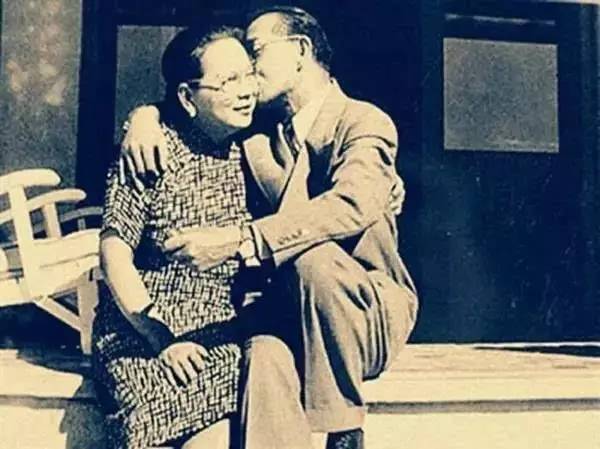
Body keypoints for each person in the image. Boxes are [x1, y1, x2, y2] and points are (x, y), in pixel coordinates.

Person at [122, 7, 418, 449]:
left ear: (300, 51)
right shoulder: (257, 134)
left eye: (255, 50)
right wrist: (143, 117)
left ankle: (344, 431)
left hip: (360, 315)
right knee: (262, 353)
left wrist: (243, 240)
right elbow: (195, 100)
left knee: (313, 260)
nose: (247, 65)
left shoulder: (362, 121)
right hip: (287, 312)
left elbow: (352, 203)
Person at [92, 24, 259, 449]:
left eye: (249, 75)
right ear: (187, 97)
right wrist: (160, 338)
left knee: (216, 432)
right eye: (229, 81)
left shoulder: (254, 151)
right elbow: (114, 255)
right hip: (140, 327)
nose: (246, 91)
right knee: (151, 421)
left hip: (218, 331)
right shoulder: (150, 150)